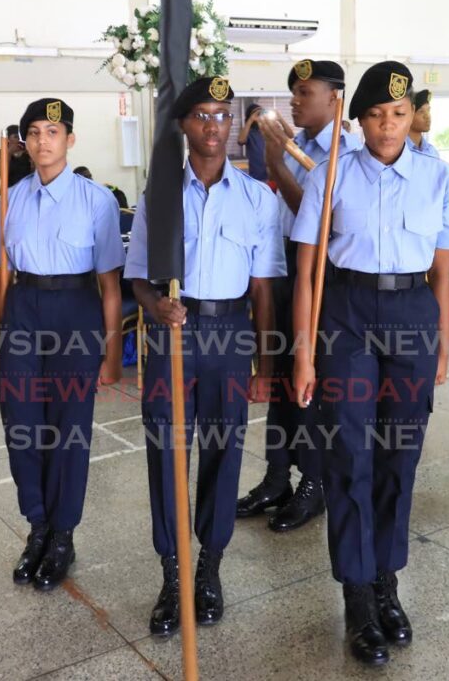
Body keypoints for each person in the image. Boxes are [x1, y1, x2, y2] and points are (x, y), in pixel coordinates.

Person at [290, 61, 449, 666]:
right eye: (375, 115)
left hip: (412, 309)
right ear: (358, 119)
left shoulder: (437, 178)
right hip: (346, 314)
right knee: (349, 454)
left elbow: (443, 272)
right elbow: (309, 274)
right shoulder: (331, 175)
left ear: (410, 115)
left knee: (400, 453)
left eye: (397, 114)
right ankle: (357, 593)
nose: (387, 126)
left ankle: (388, 578)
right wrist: (304, 353)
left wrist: (440, 340)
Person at [124, 77, 286, 635]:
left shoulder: (258, 199)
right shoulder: (159, 197)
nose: (213, 125)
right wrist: (154, 308)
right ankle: (172, 576)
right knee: (168, 453)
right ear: (184, 125)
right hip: (174, 333)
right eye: (201, 115)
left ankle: (209, 568)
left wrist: (264, 366)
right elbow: (139, 278)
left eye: (222, 114)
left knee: (223, 454)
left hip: (231, 334)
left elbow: (264, 288)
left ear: (232, 125)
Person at [0, 98, 125, 591]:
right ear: (23, 142)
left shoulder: (97, 200)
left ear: (70, 140)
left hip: (75, 312)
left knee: (68, 430)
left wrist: (110, 354)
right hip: (23, 309)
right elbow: (0, 281)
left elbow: (109, 285)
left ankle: (63, 534)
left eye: (53, 132)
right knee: (22, 427)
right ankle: (37, 527)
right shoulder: (9, 198)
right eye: (34, 132)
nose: (43, 141)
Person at [235, 59, 359, 534]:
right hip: (285, 267)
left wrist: (274, 160)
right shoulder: (298, 145)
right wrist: (280, 152)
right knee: (283, 376)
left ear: (335, 97)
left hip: (321, 274)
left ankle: (314, 481)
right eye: (293, 92)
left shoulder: (344, 152)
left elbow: (314, 213)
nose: (295, 100)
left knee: (314, 384)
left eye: (305, 92)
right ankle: (275, 475)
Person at [237, 103, 269, 182]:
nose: (259, 116)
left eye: (260, 113)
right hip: (257, 176)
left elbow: (290, 135)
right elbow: (241, 140)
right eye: (256, 114)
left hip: (272, 176)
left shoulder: (268, 130)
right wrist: (251, 119)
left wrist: (279, 118)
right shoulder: (249, 132)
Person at [407, 89, 439, 157]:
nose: (427, 116)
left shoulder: (432, 152)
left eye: (428, 110)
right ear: (408, 116)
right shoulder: (399, 151)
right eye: (421, 111)